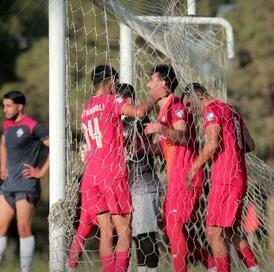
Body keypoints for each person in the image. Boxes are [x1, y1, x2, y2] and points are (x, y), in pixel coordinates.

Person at [67, 65, 167, 272]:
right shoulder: (111, 101)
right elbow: (139, 112)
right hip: (111, 172)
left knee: (105, 230)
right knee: (123, 230)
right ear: (112, 83)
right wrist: (155, 97)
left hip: (91, 174)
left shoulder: (87, 108)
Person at [144, 65, 216, 272]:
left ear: (163, 84)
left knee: (175, 227)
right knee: (171, 225)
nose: (148, 85)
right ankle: (212, 266)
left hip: (186, 175)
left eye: (152, 80)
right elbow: (170, 144)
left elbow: (182, 136)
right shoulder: (165, 110)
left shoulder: (176, 106)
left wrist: (161, 129)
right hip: (177, 176)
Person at [185, 83, 260, 272]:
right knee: (231, 232)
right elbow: (250, 144)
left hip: (225, 177)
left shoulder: (211, 110)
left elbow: (212, 144)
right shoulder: (230, 109)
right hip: (239, 175)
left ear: (199, 95)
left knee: (213, 232)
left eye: (189, 104)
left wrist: (194, 167)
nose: (189, 110)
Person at [0, 91, 49, 272]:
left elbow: (55, 144)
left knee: (23, 228)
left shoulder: (33, 126)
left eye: (8, 106)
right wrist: (2, 166)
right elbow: (3, 144)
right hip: (8, 185)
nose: (5, 109)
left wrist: (41, 171)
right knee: (1, 228)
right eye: (4, 106)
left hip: (26, 186)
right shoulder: (6, 126)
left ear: (20, 106)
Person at [116, 83, 161, 272]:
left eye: (116, 99)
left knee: (146, 235)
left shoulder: (139, 121)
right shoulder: (115, 121)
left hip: (143, 183)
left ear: (126, 100)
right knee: (133, 235)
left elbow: (156, 148)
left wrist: (140, 148)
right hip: (125, 185)